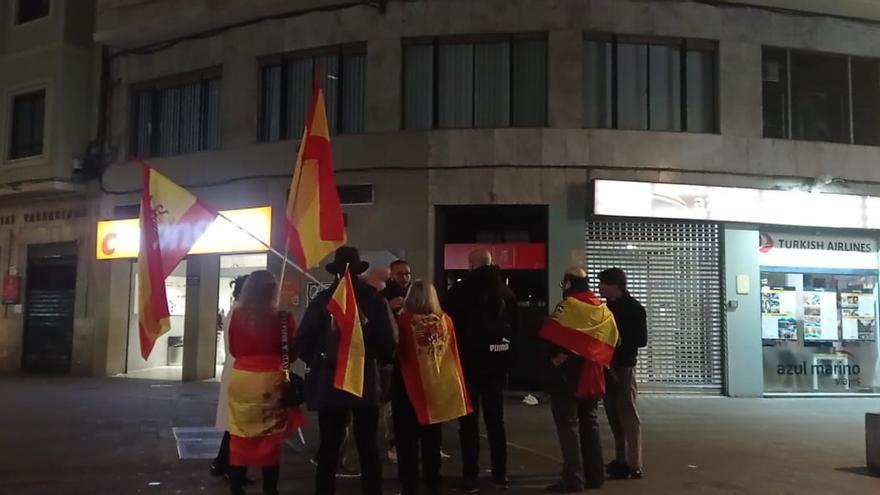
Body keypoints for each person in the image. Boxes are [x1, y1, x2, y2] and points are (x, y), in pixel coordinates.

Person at [296, 246, 397, 495]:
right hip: (366, 379)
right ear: (359, 271)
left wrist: (319, 362)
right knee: (368, 446)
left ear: (335, 272)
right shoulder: (374, 300)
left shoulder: (323, 300)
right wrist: (377, 361)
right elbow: (389, 342)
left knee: (329, 446)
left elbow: (303, 341)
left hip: (330, 380)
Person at [539, 267, 619, 492]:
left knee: (568, 426)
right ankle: (595, 476)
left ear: (568, 283)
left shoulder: (568, 306)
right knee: (590, 425)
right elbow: (614, 340)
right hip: (594, 374)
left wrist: (556, 358)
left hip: (569, 374)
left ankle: (573, 478)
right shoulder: (603, 309)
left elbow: (550, 334)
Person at [226, 270, 305, 495]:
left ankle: (236, 485)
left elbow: (233, 349)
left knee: (240, 434)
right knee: (270, 438)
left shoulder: (237, 317)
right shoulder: (282, 318)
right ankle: (270, 490)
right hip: (270, 379)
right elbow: (292, 350)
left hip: (241, 378)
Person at [446, 248, 517, 492]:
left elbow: (449, 326)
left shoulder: (460, 292)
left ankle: (470, 476)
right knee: (496, 420)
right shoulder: (506, 292)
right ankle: (500, 474)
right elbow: (517, 330)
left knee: (468, 423)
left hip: (469, 365)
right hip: (498, 364)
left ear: (471, 265)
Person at [392, 280, 471, 495]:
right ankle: (433, 480)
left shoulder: (404, 321)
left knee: (406, 440)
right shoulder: (446, 321)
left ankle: (409, 484)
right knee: (432, 439)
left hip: (408, 388)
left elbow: (396, 351)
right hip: (435, 387)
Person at [598, 268, 647, 480]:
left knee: (628, 415)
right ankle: (621, 459)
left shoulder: (634, 308)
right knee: (613, 415)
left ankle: (635, 464)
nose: (600, 287)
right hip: (607, 366)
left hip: (624, 367)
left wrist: (618, 341)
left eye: (603, 283)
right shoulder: (606, 308)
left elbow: (641, 340)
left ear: (615, 284)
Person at [211, 275, 249, 481]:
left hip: (236, 370)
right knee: (237, 425)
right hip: (240, 371)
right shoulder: (239, 313)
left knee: (234, 425)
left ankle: (222, 464)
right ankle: (230, 469)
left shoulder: (237, 310)